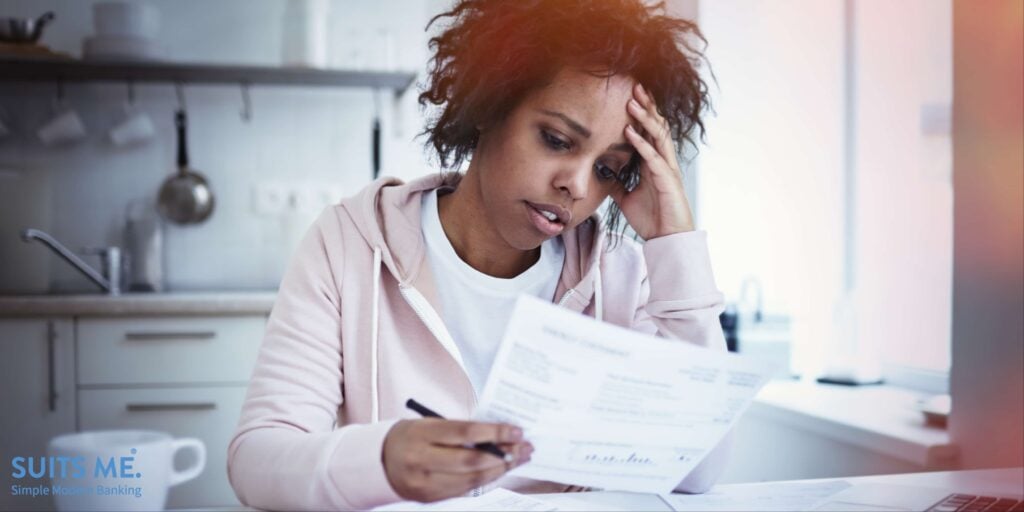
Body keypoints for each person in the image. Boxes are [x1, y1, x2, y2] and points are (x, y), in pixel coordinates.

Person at [227, 0, 731, 509]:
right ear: (490, 104)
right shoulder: (349, 244)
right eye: (556, 140)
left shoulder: (621, 275)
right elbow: (256, 461)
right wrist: (381, 460)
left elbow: (697, 470)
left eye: (608, 169)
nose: (575, 185)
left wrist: (675, 243)